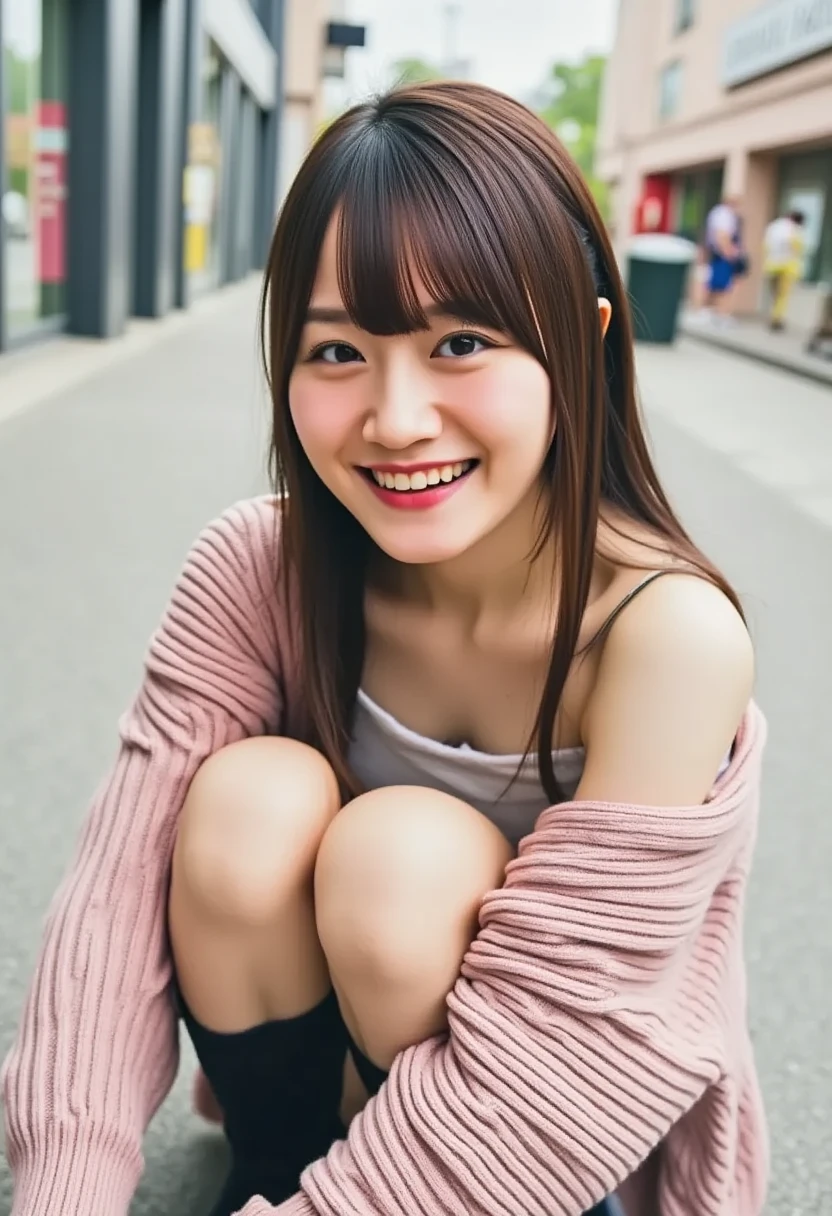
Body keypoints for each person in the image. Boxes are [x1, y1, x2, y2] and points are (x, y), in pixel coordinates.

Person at [2, 82, 768, 1216]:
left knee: (399, 857)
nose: (397, 418)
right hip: (320, 1118)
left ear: (585, 342)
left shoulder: (664, 635)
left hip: (543, 1131)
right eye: (336, 352)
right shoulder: (261, 565)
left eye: (460, 341)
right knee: (247, 798)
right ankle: (279, 1165)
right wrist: (66, 1188)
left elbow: (570, 1031)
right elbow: (114, 897)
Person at [763, 209, 806, 331]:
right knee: (782, 296)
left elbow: (766, 245)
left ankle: (772, 316)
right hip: (787, 267)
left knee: (774, 294)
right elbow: (798, 249)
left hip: (772, 264)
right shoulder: (796, 230)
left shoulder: (774, 227)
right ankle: (776, 319)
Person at [703, 195, 743, 322]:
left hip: (717, 253)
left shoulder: (717, 213)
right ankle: (721, 314)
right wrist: (729, 252)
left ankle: (714, 312)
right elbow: (722, 235)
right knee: (723, 286)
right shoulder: (724, 215)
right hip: (722, 255)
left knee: (716, 284)